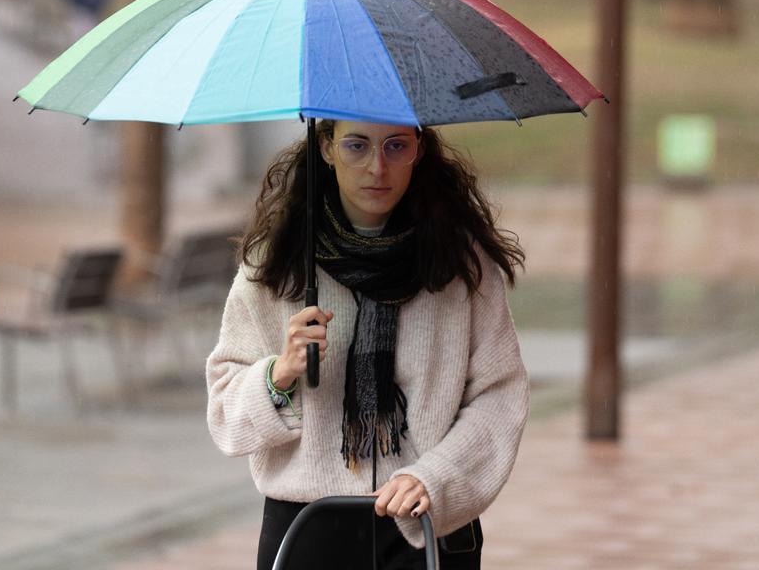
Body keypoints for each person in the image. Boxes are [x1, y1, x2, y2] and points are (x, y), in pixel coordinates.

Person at [206, 119, 530, 570]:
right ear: (326, 146)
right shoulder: (276, 264)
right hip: (308, 532)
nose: (377, 167)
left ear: (419, 148)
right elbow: (224, 411)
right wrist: (278, 374)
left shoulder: (460, 263)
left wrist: (435, 478)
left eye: (396, 146)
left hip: (425, 529)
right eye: (356, 146)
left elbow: (500, 394)